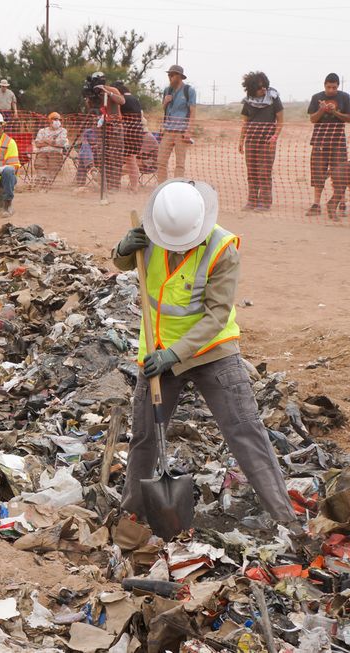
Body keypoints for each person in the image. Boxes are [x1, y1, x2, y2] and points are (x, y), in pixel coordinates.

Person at [112, 180, 296, 525]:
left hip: (213, 352)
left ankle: (288, 520)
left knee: (245, 431)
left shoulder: (222, 248)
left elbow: (216, 315)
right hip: (158, 350)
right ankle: (130, 518)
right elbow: (126, 263)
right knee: (145, 436)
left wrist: (176, 354)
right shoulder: (152, 231)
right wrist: (123, 249)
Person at [306, 73, 350, 217]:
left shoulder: (344, 97)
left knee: (340, 174)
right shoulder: (316, 98)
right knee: (318, 173)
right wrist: (322, 110)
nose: (331, 90)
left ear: (338, 86)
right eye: (328, 87)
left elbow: (349, 118)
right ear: (324, 85)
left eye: (334, 87)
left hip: (338, 142)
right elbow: (313, 119)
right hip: (320, 142)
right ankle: (316, 204)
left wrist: (335, 112)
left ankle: (341, 203)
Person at [238, 71, 283, 212]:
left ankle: (265, 203)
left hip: (267, 142)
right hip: (251, 141)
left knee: (264, 172)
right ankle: (252, 201)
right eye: (259, 87)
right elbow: (245, 122)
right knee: (252, 172)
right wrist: (241, 140)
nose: (263, 89)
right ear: (251, 88)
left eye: (264, 86)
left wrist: (274, 136)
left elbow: (280, 121)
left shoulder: (274, 99)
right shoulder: (248, 101)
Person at [84, 72, 126, 191]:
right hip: (101, 127)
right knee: (103, 157)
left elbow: (122, 101)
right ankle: (105, 185)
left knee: (115, 157)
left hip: (115, 126)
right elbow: (91, 108)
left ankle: (114, 187)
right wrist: (89, 99)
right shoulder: (92, 94)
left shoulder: (111, 89)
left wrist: (108, 92)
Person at [156, 65, 197, 184]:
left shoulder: (189, 91)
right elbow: (163, 108)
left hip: (181, 132)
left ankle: (177, 186)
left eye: (172, 75)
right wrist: (165, 102)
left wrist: (189, 131)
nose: (169, 77)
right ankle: (161, 186)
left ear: (179, 76)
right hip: (168, 130)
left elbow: (193, 112)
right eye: (169, 75)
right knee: (161, 161)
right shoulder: (167, 90)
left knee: (180, 163)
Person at [115, 80, 146, 192]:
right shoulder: (135, 99)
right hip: (138, 133)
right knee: (130, 160)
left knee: (130, 160)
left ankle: (134, 187)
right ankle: (134, 186)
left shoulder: (123, 101)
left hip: (129, 134)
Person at [33, 111, 69, 180]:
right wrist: (53, 142)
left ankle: (48, 180)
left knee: (53, 165)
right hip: (42, 152)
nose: (57, 121)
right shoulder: (42, 131)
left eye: (59, 119)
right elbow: (37, 144)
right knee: (40, 164)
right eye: (55, 119)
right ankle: (42, 178)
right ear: (49, 120)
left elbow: (61, 143)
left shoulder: (63, 131)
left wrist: (45, 141)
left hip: (55, 153)